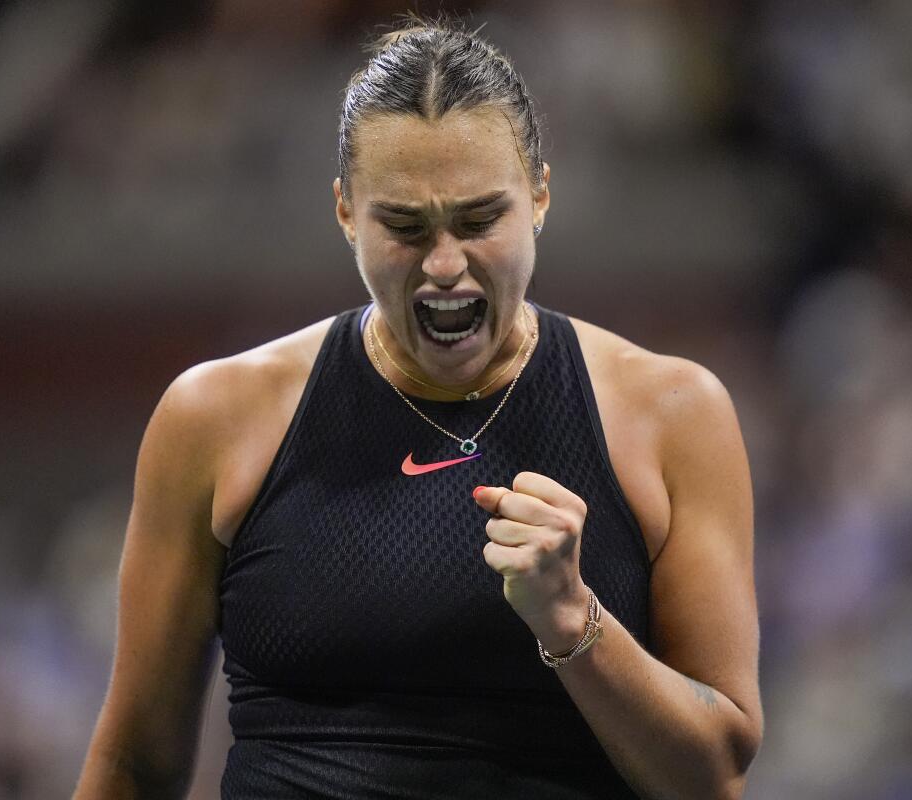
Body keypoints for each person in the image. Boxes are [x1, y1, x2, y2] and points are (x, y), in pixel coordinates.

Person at [74, 17, 762, 800]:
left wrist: (574, 621)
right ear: (345, 212)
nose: (443, 265)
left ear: (540, 193)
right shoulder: (216, 417)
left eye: (479, 221)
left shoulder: (672, 415)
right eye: (403, 226)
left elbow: (713, 776)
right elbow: (132, 765)